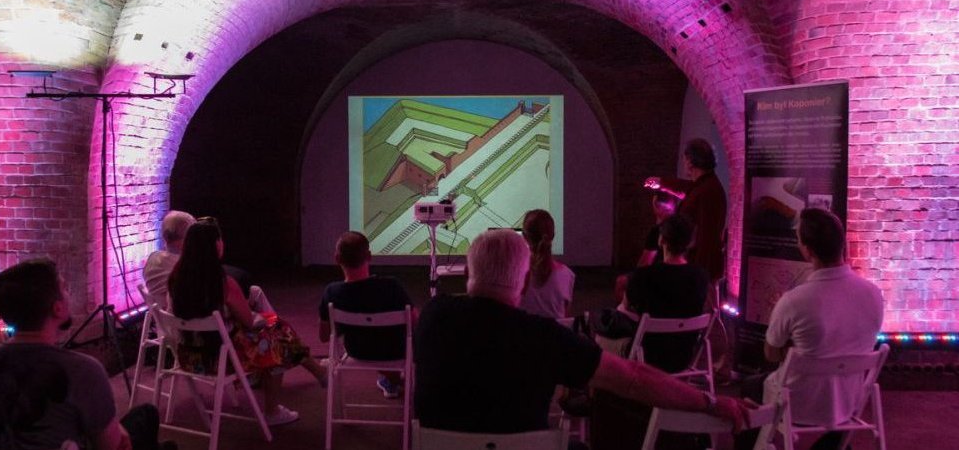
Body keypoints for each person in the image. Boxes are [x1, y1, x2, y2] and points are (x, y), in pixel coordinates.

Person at [414, 228, 749, 436]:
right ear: (526, 280)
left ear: (468, 272)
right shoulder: (545, 337)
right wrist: (709, 401)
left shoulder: (432, 316)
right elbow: (632, 378)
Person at [0, 259, 164, 450]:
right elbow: (112, 445)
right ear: (57, 308)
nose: (69, 293)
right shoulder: (83, 370)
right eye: (65, 288)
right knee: (146, 415)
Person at [738, 208, 884, 450]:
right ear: (841, 243)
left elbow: (770, 353)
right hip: (848, 400)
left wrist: (783, 326)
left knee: (750, 386)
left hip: (799, 401)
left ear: (807, 249)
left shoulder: (795, 300)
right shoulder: (874, 294)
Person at [168, 219, 324, 426]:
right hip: (221, 359)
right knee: (279, 337)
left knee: (277, 330)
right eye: (220, 239)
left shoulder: (175, 279)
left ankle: (318, 373)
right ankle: (273, 410)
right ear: (215, 245)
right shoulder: (223, 283)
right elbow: (249, 322)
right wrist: (262, 318)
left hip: (188, 357)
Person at [319, 231, 414, 399]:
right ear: (369, 256)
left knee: (371, 340)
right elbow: (414, 322)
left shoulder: (332, 292)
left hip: (359, 351)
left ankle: (393, 380)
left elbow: (325, 336)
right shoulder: (392, 286)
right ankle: (396, 380)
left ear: (337, 258)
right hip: (396, 352)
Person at [623, 214, 710, 372]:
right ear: (690, 242)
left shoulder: (644, 276)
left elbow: (626, 307)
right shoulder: (701, 277)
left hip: (648, 355)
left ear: (661, 239)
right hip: (683, 356)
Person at [646, 138, 727, 281]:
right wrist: (661, 183)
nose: (683, 163)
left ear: (690, 161)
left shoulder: (708, 190)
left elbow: (706, 236)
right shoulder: (704, 185)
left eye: (684, 159)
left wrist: (697, 273)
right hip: (696, 268)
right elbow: (687, 188)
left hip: (700, 270)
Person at [518, 209, 574, 319]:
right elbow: (566, 317)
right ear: (553, 235)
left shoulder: (517, 272)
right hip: (556, 335)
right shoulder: (568, 275)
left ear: (524, 236)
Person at [143, 210, 195, 311]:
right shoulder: (185, 266)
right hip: (184, 321)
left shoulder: (152, 258)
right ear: (187, 237)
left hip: (164, 320)